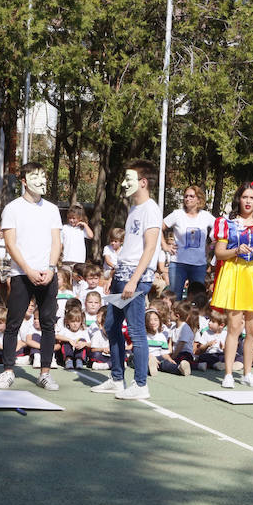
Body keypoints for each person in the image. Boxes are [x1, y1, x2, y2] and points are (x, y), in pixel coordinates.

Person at [91, 159, 162, 400]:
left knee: (135, 329)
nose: (124, 184)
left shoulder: (151, 209)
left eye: (129, 179)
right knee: (111, 325)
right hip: (121, 274)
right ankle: (117, 379)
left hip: (136, 278)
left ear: (143, 182)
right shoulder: (134, 209)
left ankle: (140, 384)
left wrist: (134, 280)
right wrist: (115, 274)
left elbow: (150, 248)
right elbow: (130, 247)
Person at [0, 162, 63, 392]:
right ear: (24, 181)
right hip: (21, 275)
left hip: (48, 274)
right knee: (13, 323)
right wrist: (27, 269)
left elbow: (56, 241)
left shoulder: (52, 209)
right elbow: (10, 243)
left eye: (44, 176)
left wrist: (51, 268)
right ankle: (7, 371)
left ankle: (45, 373)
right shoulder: (13, 208)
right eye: (36, 176)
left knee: (48, 323)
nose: (42, 181)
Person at [209, 182, 253, 389]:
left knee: (252, 328)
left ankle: (248, 372)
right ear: (238, 199)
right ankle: (229, 373)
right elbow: (219, 252)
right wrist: (236, 251)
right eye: (244, 197)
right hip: (235, 273)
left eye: (252, 198)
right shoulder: (226, 223)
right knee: (233, 327)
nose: (248, 201)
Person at [161, 186, 215, 300]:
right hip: (178, 264)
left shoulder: (206, 216)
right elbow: (158, 228)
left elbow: (220, 231)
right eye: (186, 196)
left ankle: (195, 318)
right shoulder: (177, 214)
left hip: (199, 264)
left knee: (197, 298)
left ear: (198, 199)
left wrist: (210, 247)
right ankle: (174, 318)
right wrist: (165, 246)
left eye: (191, 196)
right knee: (175, 298)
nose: (188, 199)